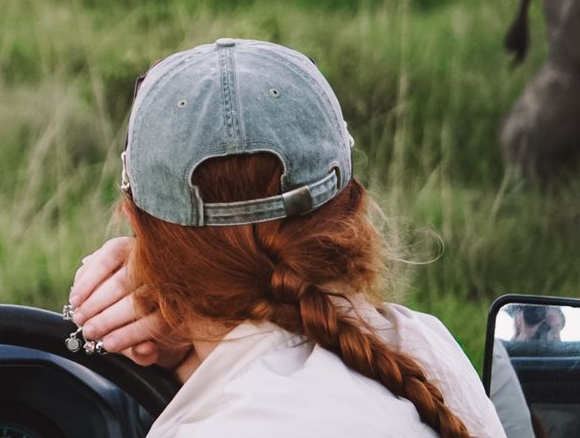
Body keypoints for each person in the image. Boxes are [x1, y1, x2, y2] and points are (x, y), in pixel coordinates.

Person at [67, 38, 506, 437]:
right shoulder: (427, 346)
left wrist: (194, 319)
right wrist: (192, 358)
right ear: (353, 205)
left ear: (138, 229)